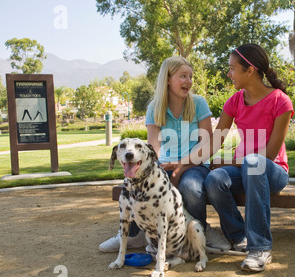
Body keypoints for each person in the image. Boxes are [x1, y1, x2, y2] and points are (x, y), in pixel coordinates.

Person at [172, 44, 294, 272]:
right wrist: (185, 162)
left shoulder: (280, 101)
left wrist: (229, 162)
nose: (229, 74)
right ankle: (239, 236)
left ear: (250, 71)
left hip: (273, 171)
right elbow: (213, 142)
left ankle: (260, 248)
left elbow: (268, 154)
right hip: (244, 168)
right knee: (214, 178)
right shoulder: (235, 101)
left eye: (232, 68)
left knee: (253, 162)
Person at [99, 56, 231, 253]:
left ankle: (201, 230)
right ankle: (134, 235)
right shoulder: (155, 107)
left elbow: (207, 143)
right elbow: (153, 147)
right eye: (183, 76)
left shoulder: (198, 103)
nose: (188, 81)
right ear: (167, 79)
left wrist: (182, 165)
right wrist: (155, 171)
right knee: (142, 185)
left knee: (191, 187)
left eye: (190, 77)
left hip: (195, 164)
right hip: (165, 164)